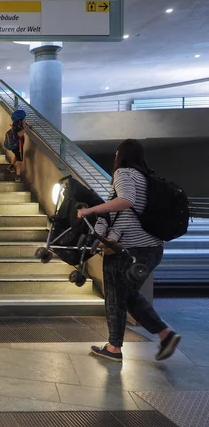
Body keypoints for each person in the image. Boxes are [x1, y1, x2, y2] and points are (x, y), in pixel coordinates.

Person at [77, 139, 181, 363]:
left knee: (115, 297)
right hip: (152, 249)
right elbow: (125, 211)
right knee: (128, 296)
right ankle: (165, 334)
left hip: (127, 249)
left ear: (120, 155)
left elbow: (126, 201)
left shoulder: (124, 174)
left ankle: (114, 347)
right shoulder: (145, 178)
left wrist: (91, 210)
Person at [7, 110, 27, 183]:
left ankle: (11, 166)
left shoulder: (15, 125)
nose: (25, 120)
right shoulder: (18, 126)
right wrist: (26, 129)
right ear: (20, 119)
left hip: (15, 145)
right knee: (19, 160)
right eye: (24, 118)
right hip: (18, 145)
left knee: (17, 155)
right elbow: (18, 134)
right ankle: (17, 176)